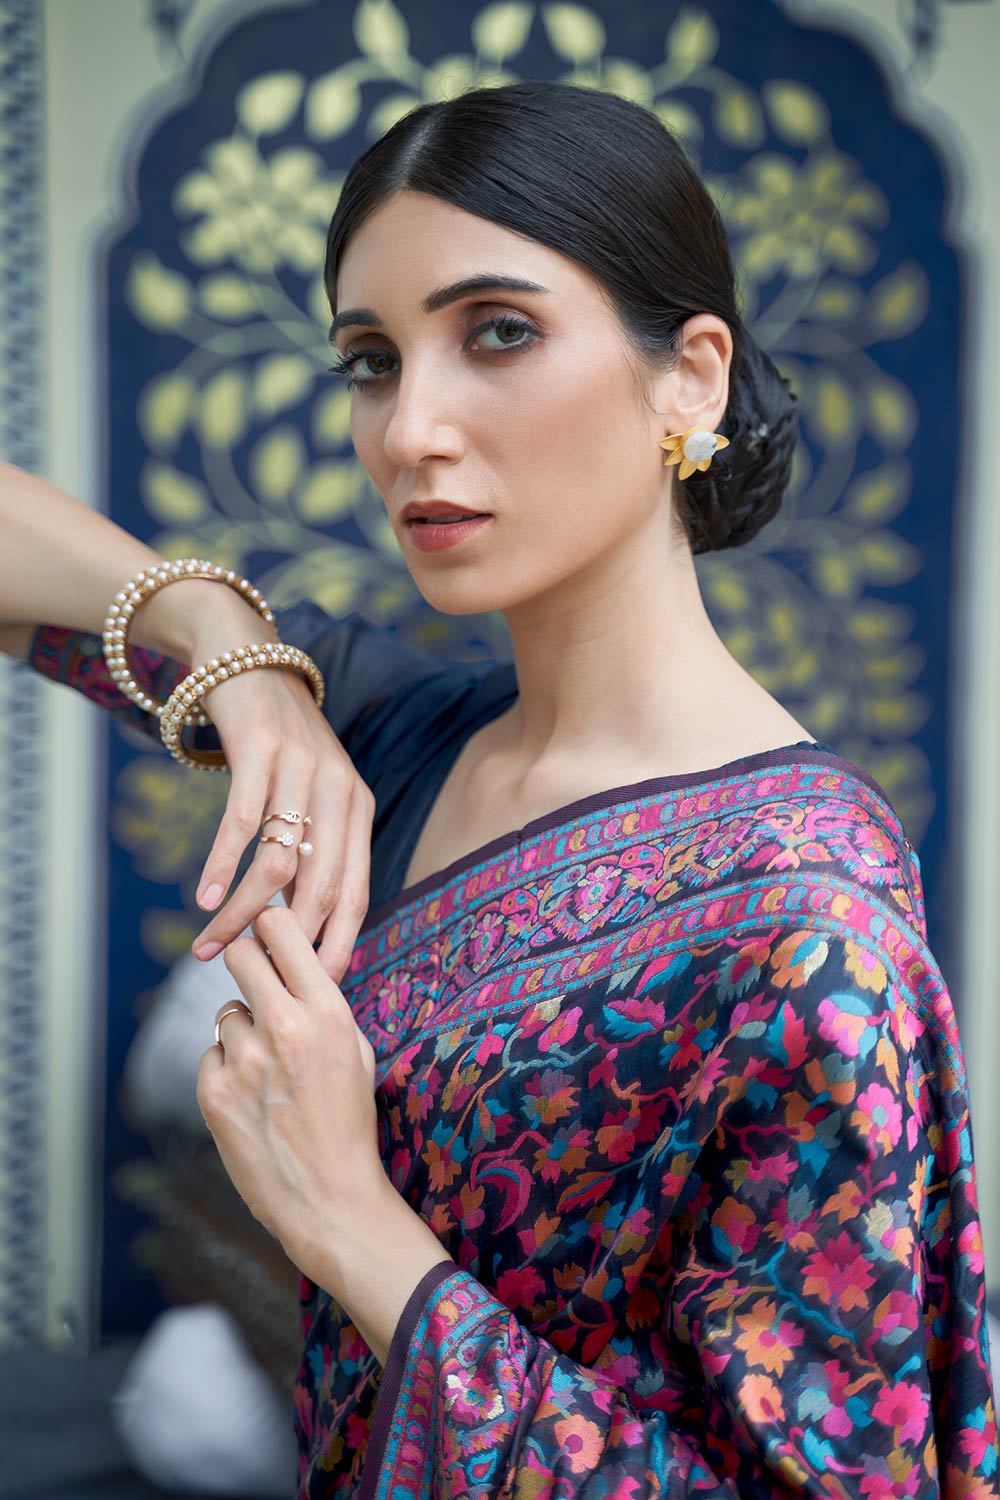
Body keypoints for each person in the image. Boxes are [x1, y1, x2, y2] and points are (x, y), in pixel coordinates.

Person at [3, 77, 997, 1498]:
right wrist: (229, 645)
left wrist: (352, 1229)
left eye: (498, 333)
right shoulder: (387, 730)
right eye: (371, 359)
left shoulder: (805, 925)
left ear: (691, 376)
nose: (410, 429)